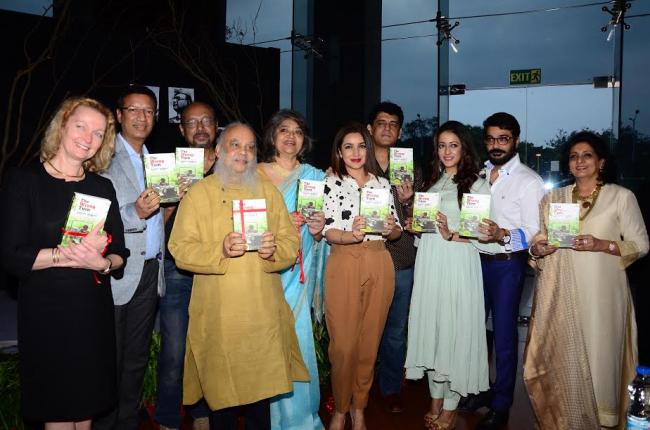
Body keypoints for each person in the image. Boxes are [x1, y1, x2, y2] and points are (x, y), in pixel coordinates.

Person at [168, 122, 309, 430]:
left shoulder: (268, 192)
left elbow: (289, 242)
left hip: (262, 313)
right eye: (235, 145)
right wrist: (218, 249)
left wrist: (273, 250)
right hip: (218, 316)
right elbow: (179, 249)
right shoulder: (199, 193)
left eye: (249, 147)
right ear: (219, 151)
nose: (242, 153)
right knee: (222, 398)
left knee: (261, 397)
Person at [1, 97, 129, 429]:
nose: (89, 138)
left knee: (86, 409)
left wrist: (101, 263)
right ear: (61, 126)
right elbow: (12, 256)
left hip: (92, 314)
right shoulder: (24, 180)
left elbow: (120, 254)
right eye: (81, 126)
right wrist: (68, 254)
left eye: (98, 133)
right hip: (47, 317)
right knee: (58, 412)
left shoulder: (102, 187)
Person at [525, 131, 649, 429]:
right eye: (573, 156)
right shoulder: (553, 199)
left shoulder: (621, 197)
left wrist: (602, 244)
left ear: (601, 162)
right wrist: (538, 249)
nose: (579, 161)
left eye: (587, 155)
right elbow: (537, 241)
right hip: (561, 293)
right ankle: (566, 418)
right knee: (562, 357)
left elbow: (641, 244)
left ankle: (602, 419)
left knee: (601, 354)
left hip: (603, 294)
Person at [404, 121, 492, 430]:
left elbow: (482, 236)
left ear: (464, 148)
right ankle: (435, 400)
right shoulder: (432, 183)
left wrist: (450, 233)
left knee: (455, 332)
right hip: (430, 264)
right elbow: (423, 230)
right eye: (442, 145)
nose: (447, 151)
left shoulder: (477, 185)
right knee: (434, 331)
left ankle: (452, 406)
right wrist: (415, 224)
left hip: (458, 265)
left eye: (453, 145)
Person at [461, 112, 545, 430]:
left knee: (505, 336)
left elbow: (534, 231)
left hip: (507, 265)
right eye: (491, 139)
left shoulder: (529, 181)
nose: (496, 145)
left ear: (516, 140)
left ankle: (501, 404)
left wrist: (503, 234)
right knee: (475, 332)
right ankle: (481, 389)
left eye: (503, 139)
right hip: (475, 261)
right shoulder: (478, 175)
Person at [94, 85, 165, 430]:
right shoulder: (102, 159)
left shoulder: (158, 163)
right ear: (119, 115)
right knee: (111, 357)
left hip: (152, 270)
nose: (141, 117)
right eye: (134, 110)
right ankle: (105, 422)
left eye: (148, 111)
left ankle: (126, 421)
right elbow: (97, 220)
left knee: (137, 357)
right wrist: (135, 212)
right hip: (117, 270)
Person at [323, 122, 402, 430]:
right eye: (348, 146)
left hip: (379, 259)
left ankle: (359, 407)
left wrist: (390, 228)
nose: (355, 153)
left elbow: (396, 231)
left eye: (360, 146)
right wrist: (350, 236)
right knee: (343, 346)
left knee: (370, 342)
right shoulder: (330, 182)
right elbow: (327, 230)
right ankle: (340, 407)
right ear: (339, 152)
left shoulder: (382, 184)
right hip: (344, 260)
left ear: (368, 149)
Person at [257, 109, 327, 430]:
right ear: (273, 135)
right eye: (284, 130)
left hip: (299, 271)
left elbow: (321, 235)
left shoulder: (315, 177)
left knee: (297, 340)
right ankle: (269, 419)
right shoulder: (254, 173)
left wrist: (317, 229)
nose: (290, 137)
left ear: (304, 140)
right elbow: (245, 221)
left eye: (298, 132)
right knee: (266, 342)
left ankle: (299, 420)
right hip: (263, 269)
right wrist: (281, 221)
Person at [155, 101, 218, 430]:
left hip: (218, 269)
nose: (200, 127)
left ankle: (202, 413)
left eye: (206, 121)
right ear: (182, 129)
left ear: (216, 126)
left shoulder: (230, 164)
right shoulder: (168, 168)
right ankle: (168, 417)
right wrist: (173, 199)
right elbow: (158, 224)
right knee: (175, 348)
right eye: (192, 122)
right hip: (177, 268)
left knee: (210, 346)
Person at [366, 101, 420, 413]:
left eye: (393, 124)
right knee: (361, 328)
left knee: (395, 332)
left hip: (401, 260)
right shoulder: (355, 162)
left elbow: (421, 218)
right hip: (365, 257)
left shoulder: (411, 168)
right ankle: (358, 389)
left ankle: (390, 389)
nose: (387, 128)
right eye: (381, 122)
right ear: (370, 128)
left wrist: (409, 200)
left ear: (399, 131)